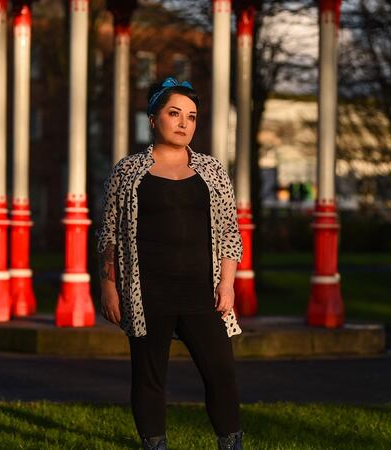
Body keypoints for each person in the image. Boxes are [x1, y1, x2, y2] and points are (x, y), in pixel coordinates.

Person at [96, 77, 244, 450]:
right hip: (147, 293)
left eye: (191, 117)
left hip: (202, 292)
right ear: (153, 117)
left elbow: (230, 232)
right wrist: (109, 286)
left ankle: (231, 444)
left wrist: (227, 284)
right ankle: (155, 445)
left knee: (221, 374)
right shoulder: (128, 172)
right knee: (149, 378)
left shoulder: (213, 172)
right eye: (174, 113)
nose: (183, 123)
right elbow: (109, 234)